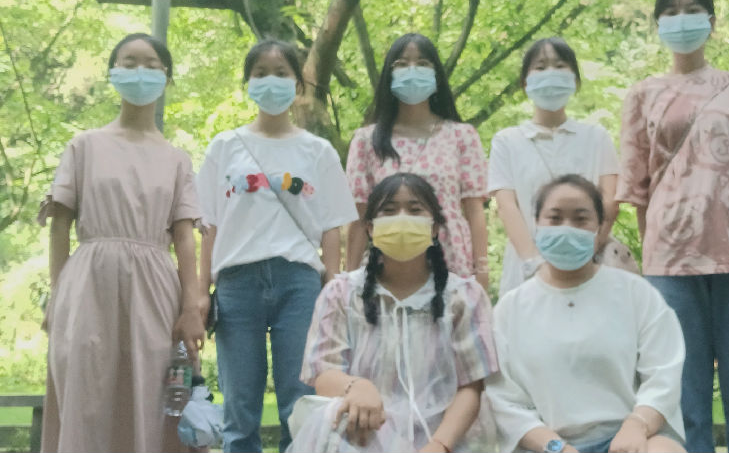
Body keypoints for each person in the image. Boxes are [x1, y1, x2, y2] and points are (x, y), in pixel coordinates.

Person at [615, 0, 729, 453]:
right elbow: (638, 187)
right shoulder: (642, 94)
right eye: (671, 11)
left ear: (712, 20)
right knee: (684, 397)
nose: (681, 19)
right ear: (657, 24)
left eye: (692, 9)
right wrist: (654, 255)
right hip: (670, 261)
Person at [38, 33, 205, 453]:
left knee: (150, 392)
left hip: (154, 290)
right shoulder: (84, 146)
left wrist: (191, 307)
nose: (139, 72)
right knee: (86, 390)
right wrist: (58, 295)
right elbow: (60, 226)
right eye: (128, 62)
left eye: (150, 64)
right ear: (112, 71)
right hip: (87, 287)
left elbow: (184, 238)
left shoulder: (176, 159)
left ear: (167, 77)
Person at [196, 39, 357, 452]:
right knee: (239, 406)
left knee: (300, 402)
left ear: (298, 85)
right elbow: (208, 224)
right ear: (247, 83)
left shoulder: (317, 151)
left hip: (299, 283)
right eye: (261, 73)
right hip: (236, 283)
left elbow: (332, 227)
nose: (271, 82)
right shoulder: (224, 147)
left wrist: (332, 288)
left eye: (281, 73)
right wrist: (200, 291)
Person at [288, 173, 498, 453]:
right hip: (362, 437)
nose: (402, 219)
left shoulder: (464, 297)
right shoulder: (341, 294)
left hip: (445, 441)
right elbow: (323, 373)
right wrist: (356, 387)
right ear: (370, 228)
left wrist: (439, 445)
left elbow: (472, 386)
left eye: (414, 209)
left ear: (435, 227)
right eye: (389, 210)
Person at [486, 174, 685, 453]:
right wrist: (557, 447)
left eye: (580, 219)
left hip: (628, 439)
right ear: (537, 223)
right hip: (548, 446)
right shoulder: (510, 309)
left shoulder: (636, 294)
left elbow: (664, 371)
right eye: (555, 218)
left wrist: (637, 425)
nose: (567, 228)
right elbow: (505, 400)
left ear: (600, 227)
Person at [345, 33, 490, 291]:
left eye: (422, 63)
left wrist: (481, 269)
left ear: (436, 74)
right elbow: (358, 216)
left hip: (451, 258)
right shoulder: (367, 140)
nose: (412, 70)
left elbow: (474, 210)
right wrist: (348, 279)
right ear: (389, 75)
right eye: (402, 64)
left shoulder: (461, 136)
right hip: (388, 261)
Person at [488, 37, 623, 296]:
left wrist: (584, 257)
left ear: (575, 80)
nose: (550, 73)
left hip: (590, 270)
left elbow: (610, 201)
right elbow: (507, 207)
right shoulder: (507, 141)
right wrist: (534, 263)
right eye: (540, 67)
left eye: (560, 66)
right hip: (525, 272)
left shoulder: (596, 137)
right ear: (525, 82)